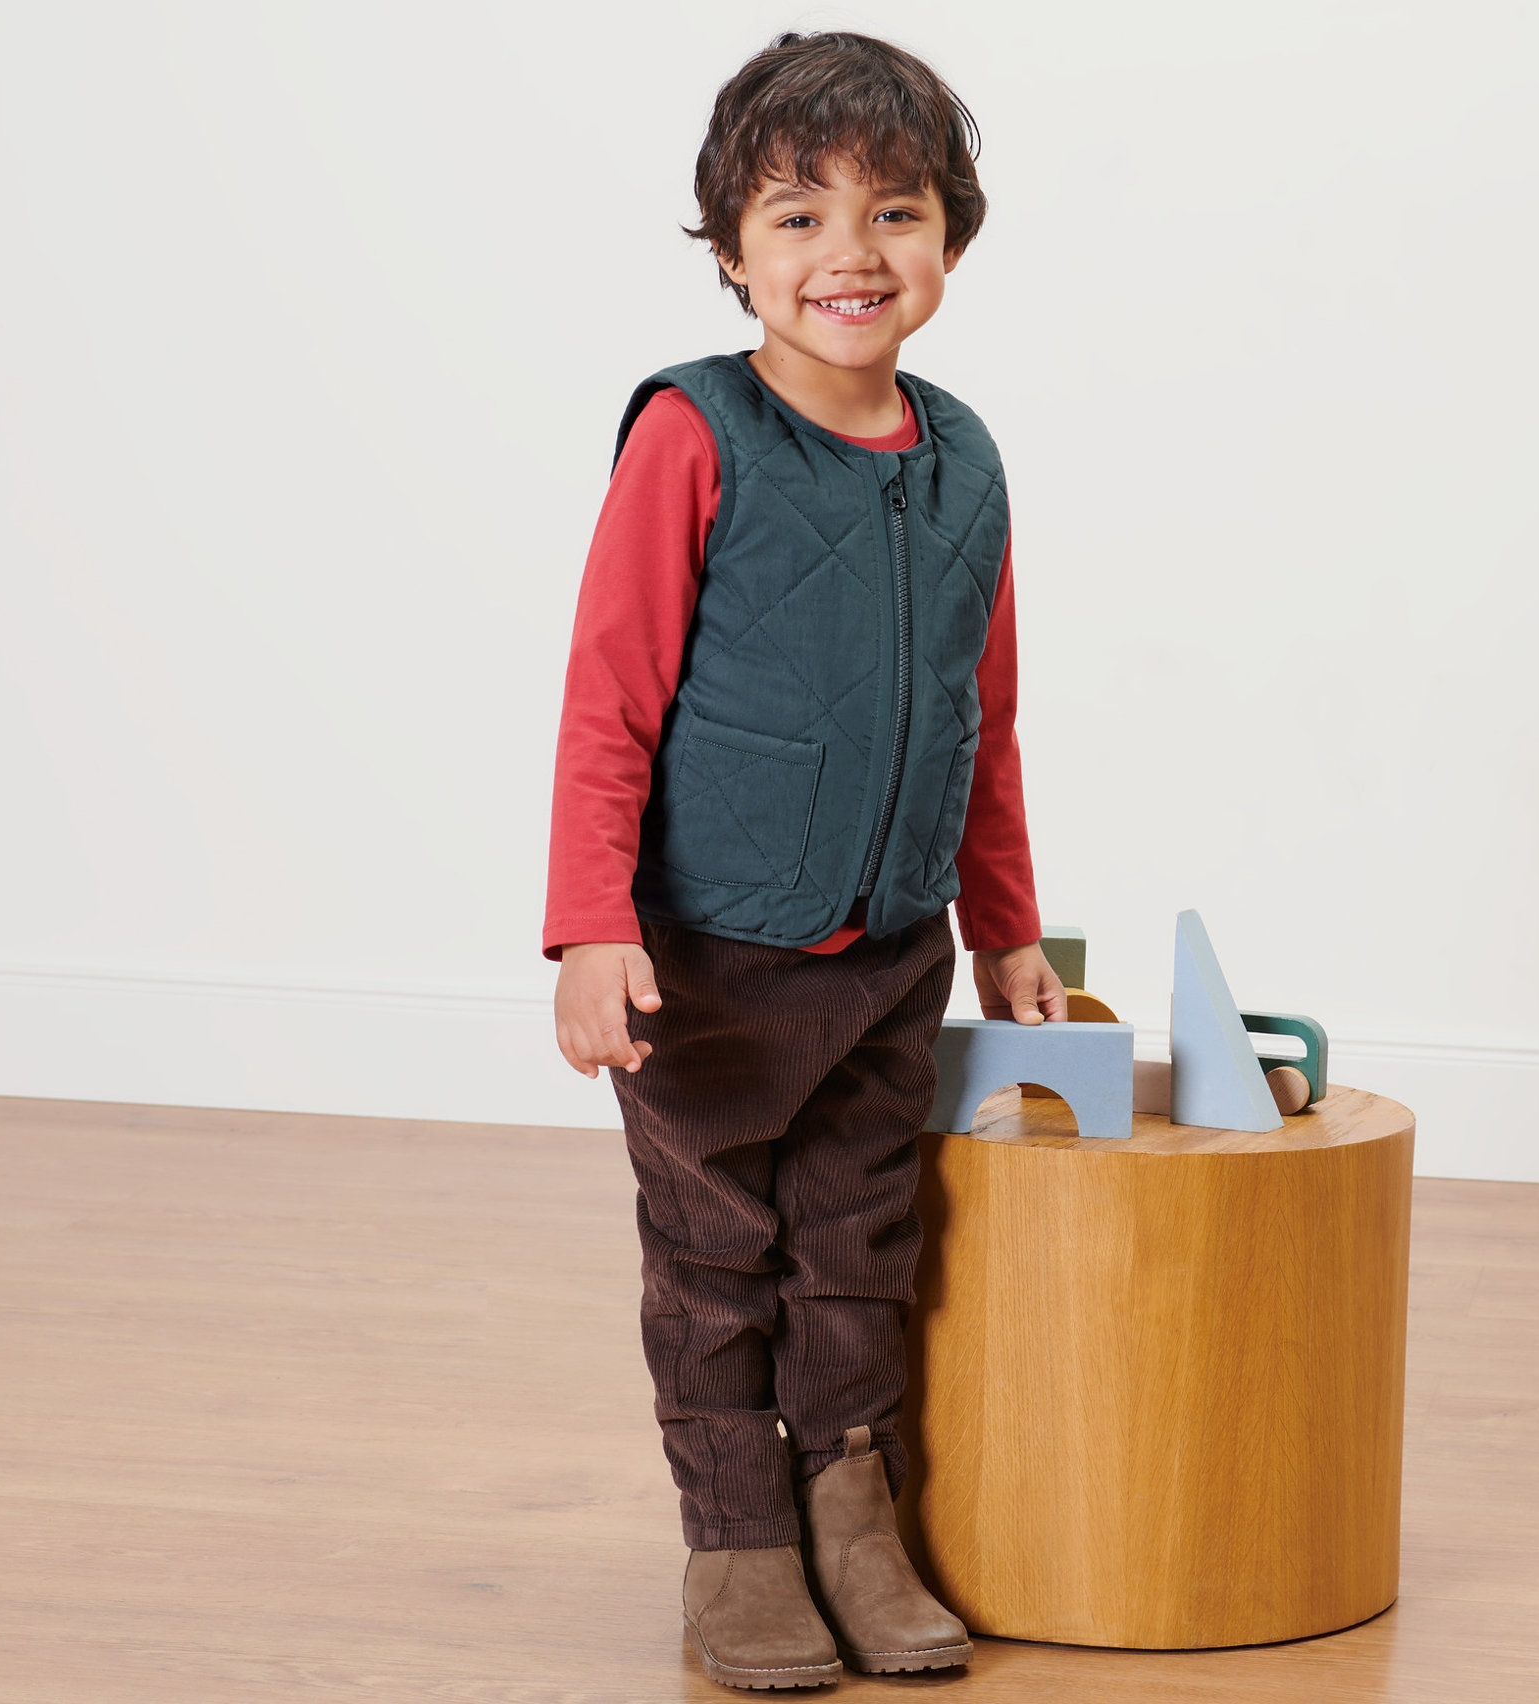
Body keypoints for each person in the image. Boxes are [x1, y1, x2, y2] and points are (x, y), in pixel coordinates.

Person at [544, 30, 1063, 1688]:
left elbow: (985, 717)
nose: (851, 253)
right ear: (730, 254)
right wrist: (588, 929)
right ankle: (740, 1542)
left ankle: (853, 1516)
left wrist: (1007, 931)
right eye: (796, 215)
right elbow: (607, 699)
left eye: (896, 212)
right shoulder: (692, 438)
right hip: (708, 956)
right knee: (716, 1262)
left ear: (952, 244)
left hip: (893, 951)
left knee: (861, 1249)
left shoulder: (967, 459)